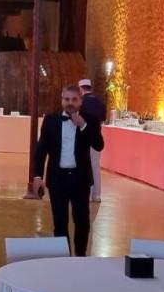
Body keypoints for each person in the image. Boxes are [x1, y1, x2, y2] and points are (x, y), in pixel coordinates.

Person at [31, 84, 105, 256]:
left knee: (82, 221)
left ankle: (80, 258)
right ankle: (63, 260)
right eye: (67, 99)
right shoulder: (51, 120)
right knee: (60, 222)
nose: (70, 103)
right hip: (58, 180)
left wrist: (83, 126)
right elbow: (41, 150)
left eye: (74, 99)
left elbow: (98, 145)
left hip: (80, 179)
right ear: (62, 100)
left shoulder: (90, 120)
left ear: (81, 101)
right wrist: (37, 176)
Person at [78, 78, 108, 202]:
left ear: (81, 89)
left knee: (84, 166)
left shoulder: (80, 102)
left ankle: (85, 194)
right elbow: (102, 119)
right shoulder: (100, 102)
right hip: (96, 138)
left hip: (83, 139)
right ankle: (97, 195)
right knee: (95, 166)